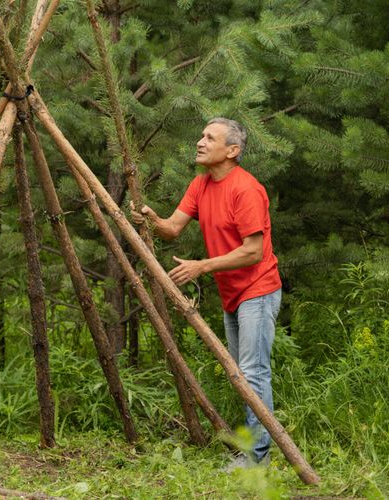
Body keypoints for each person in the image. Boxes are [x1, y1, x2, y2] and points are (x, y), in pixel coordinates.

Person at [131, 118, 281, 470]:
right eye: (201, 135)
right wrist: (150, 217)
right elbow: (171, 229)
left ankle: (256, 458)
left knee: (252, 371)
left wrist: (202, 266)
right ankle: (252, 453)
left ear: (232, 151)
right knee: (242, 374)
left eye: (209, 137)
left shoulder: (246, 189)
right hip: (233, 293)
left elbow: (253, 251)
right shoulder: (200, 185)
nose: (199, 142)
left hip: (258, 290)